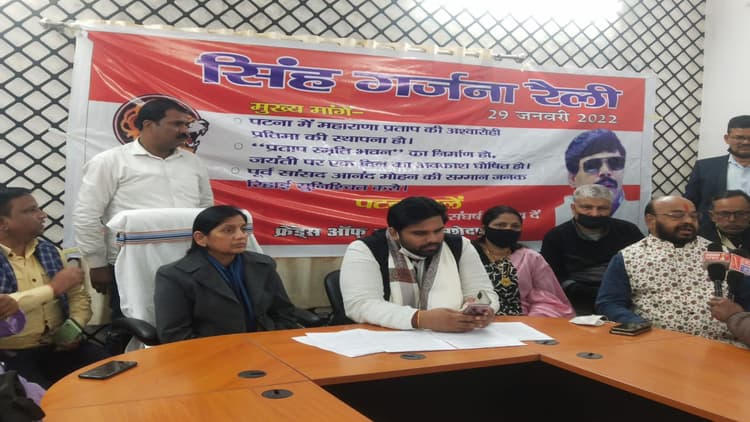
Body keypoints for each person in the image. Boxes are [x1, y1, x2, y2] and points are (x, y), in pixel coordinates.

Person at [73, 98, 214, 351]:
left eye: (186, 124)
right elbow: (87, 214)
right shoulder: (110, 161)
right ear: (149, 125)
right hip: (131, 264)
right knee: (133, 327)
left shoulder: (193, 163)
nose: (185, 130)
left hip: (189, 263)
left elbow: (206, 211)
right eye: (176, 124)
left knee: (188, 325)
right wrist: (96, 263)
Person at [596, 195, 750, 341]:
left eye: (693, 216)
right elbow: (609, 303)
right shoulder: (626, 257)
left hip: (724, 344)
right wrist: (638, 324)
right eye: (677, 216)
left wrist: (736, 314)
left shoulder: (728, 254)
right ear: (651, 220)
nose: (688, 221)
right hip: (656, 345)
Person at [0, 188, 109, 388]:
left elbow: (78, 297)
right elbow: (3, 306)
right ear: (2, 223)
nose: (42, 215)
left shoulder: (50, 251)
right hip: (11, 354)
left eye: (38, 208)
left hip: (58, 347)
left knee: (115, 371)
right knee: (36, 400)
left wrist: (72, 329)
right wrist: (52, 289)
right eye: (30, 210)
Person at [340, 196, 499, 332]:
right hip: (384, 339)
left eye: (438, 231)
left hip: (455, 339)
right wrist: (420, 319)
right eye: (420, 233)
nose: (433, 239)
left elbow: (483, 292)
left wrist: (484, 311)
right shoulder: (366, 249)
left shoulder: (459, 246)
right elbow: (361, 305)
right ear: (394, 233)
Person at [154, 205, 299, 343]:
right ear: (201, 238)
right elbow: (174, 334)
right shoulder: (174, 275)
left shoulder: (263, 265)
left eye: (243, 229)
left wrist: (276, 343)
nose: (241, 236)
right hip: (211, 351)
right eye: (228, 230)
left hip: (266, 344)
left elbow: (284, 313)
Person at [542, 185, 643, 315]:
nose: (595, 214)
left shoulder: (629, 231)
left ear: (610, 208)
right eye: (587, 207)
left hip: (624, 296)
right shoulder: (556, 236)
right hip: (575, 300)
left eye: (602, 208)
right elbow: (552, 277)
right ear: (573, 208)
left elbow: (644, 266)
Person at [472, 205, 574, 318]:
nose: (508, 229)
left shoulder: (530, 258)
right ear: (483, 229)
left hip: (522, 320)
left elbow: (548, 299)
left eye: (515, 226)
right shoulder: (467, 254)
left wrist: (533, 320)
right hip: (475, 318)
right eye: (501, 225)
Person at [555, 129, 640, 225]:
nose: (605, 171)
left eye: (615, 162)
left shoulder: (637, 218)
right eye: (592, 165)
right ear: (572, 179)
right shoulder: (557, 221)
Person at [685, 115, 750, 229]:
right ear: (727, 138)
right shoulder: (705, 167)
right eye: (739, 137)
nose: (746, 142)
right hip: (711, 232)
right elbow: (689, 203)